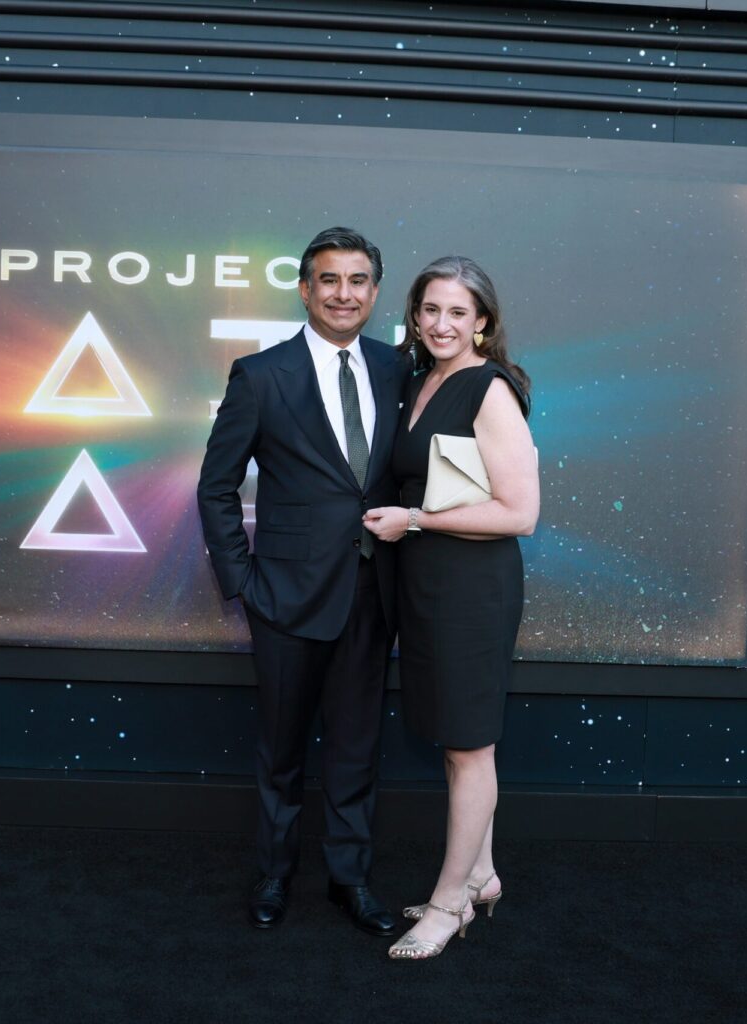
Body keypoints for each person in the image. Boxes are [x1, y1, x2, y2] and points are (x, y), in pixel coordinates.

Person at [197, 227, 406, 936]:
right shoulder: (261, 376)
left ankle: (350, 880)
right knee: (281, 755)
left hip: (374, 597)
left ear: (374, 292)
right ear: (305, 287)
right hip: (284, 600)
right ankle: (274, 877)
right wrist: (243, 584)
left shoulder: (397, 369)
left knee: (355, 754)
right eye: (329, 280)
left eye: (357, 281)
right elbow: (216, 487)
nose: (343, 294)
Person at [362, 256, 538, 960]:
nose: (441, 323)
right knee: (457, 742)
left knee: (470, 747)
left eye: (457, 313)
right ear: (414, 315)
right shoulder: (421, 381)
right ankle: (482, 876)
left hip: (471, 590)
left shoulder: (488, 389)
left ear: (483, 323)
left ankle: (446, 905)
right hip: (427, 586)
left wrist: (416, 521)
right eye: (430, 310)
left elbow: (520, 513)